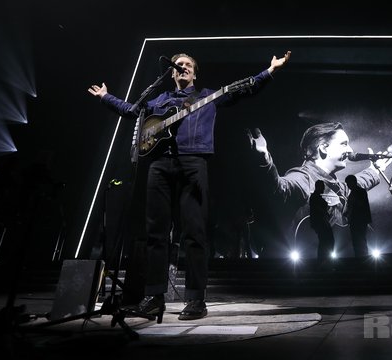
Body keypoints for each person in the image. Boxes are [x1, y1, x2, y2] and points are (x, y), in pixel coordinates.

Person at [88, 50, 291, 321]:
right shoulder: (159, 99)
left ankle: (196, 299)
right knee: (155, 233)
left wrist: (269, 72)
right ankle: (153, 297)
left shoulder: (207, 97)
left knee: (194, 232)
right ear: (172, 73)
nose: (182, 67)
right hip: (159, 164)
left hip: (193, 162)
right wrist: (105, 97)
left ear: (194, 73)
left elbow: (244, 90)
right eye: (178, 65)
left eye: (187, 65)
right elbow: (132, 111)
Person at [247, 122, 391, 260]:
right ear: (323, 148)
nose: (350, 151)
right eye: (344, 144)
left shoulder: (337, 187)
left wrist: (373, 170)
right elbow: (279, 189)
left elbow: (357, 183)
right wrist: (264, 160)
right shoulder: (303, 178)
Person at [344, 174, 372, 257]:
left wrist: (349, 213)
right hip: (357, 220)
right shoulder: (358, 192)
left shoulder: (359, 192)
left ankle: (362, 258)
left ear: (353, 182)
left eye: (348, 183)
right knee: (358, 241)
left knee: (359, 241)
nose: (348, 185)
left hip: (358, 221)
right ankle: (362, 258)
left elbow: (360, 206)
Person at [309, 180, 332, 259]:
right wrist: (325, 213)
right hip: (320, 222)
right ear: (318, 187)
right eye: (322, 186)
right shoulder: (315, 197)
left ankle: (323, 260)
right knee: (327, 241)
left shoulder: (315, 196)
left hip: (320, 222)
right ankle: (324, 260)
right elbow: (318, 209)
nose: (324, 188)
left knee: (325, 241)